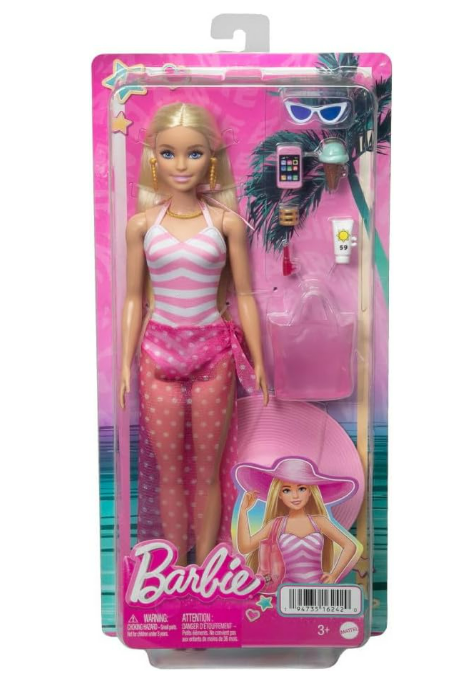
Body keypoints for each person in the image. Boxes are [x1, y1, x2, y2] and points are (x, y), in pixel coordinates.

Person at [119, 102, 269, 566]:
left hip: (212, 353)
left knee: (207, 472)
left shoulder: (225, 224)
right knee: (168, 473)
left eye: (194, 153)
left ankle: (204, 569)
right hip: (158, 352)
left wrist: (259, 360)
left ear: (212, 159)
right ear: (153, 158)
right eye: (168, 153)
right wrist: (124, 364)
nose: (181, 165)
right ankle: (175, 569)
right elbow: (133, 299)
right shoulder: (142, 226)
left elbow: (245, 296)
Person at [234, 457, 361, 584]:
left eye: (301, 489)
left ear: (310, 491)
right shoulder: (277, 525)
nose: (295, 496)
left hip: (317, 587)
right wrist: (243, 511)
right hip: (286, 589)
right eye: (287, 490)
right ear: (279, 494)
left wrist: (334, 575)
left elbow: (350, 545)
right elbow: (245, 547)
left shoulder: (319, 522)